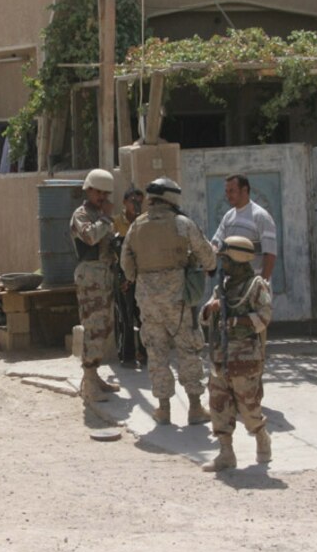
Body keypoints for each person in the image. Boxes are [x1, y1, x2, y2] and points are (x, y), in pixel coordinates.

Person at [120, 177, 216, 425]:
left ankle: (163, 409)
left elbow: (126, 264)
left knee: (156, 351)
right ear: (172, 198)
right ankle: (195, 407)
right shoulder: (183, 224)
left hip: (147, 300)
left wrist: (139, 277)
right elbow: (207, 256)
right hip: (178, 301)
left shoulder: (136, 226)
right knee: (187, 348)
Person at [200, 236, 273, 472]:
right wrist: (210, 309)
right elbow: (207, 313)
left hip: (245, 358)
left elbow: (264, 317)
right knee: (218, 404)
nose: (224, 265)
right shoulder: (222, 286)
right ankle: (226, 453)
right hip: (221, 357)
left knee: (249, 408)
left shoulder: (256, 285)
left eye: (226, 259)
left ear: (238, 259)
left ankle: (261, 436)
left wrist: (235, 321)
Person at [70, 169, 122, 403]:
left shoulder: (100, 214)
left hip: (104, 274)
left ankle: (93, 375)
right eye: (98, 192)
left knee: (105, 327)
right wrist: (107, 219)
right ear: (88, 189)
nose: (102, 196)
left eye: (105, 193)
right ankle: (89, 381)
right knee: (94, 327)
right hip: (90, 275)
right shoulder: (81, 215)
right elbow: (90, 238)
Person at [211, 174, 278, 282]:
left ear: (244, 190)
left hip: (252, 284)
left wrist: (261, 285)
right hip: (230, 285)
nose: (228, 195)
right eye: (226, 191)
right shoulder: (228, 217)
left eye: (232, 191)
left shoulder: (261, 217)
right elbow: (216, 244)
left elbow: (270, 255)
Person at [112, 187, 145, 365]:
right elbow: (113, 252)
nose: (136, 205)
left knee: (143, 317)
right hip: (123, 274)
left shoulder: (144, 222)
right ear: (125, 202)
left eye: (139, 201)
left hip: (141, 275)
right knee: (125, 317)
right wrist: (122, 278)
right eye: (133, 201)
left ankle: (144, 353)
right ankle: (127, 355)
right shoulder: (116, 222)